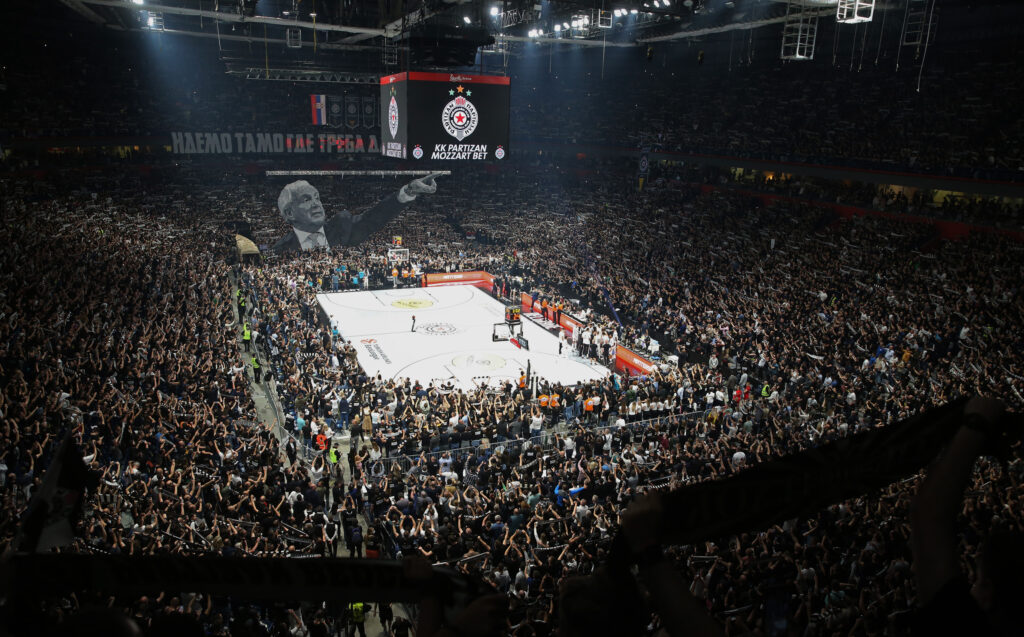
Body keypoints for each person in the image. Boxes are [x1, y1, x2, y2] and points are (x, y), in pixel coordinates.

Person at [910, 397, 1023, 636]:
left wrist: (977, 423)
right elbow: (928, 516)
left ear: (989, 594)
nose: (972, 583)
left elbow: (929, 515)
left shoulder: (964, 627)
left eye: (979, 580)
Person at [272, 175, 442, 252]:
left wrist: (409, 190)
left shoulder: (344, 225)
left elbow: (376, 216)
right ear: (290, 213)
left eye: (317, 197)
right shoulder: (282, 249)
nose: (316, 203)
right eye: (307, 199)